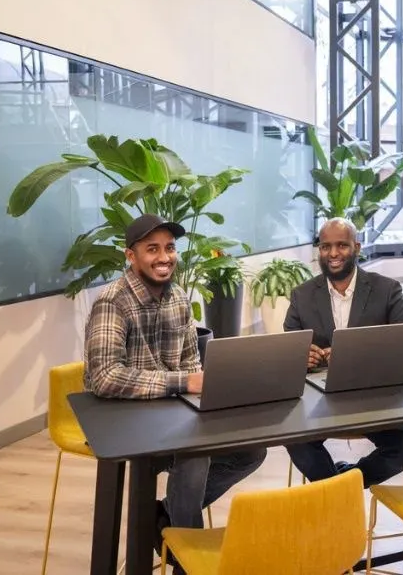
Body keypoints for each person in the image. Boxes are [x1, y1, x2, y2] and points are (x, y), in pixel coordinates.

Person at [83, 213, 266, 569]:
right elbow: (104, 377)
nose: (164, 257)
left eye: (169, 248)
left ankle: (166, 518)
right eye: (152, 249)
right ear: (130, 256)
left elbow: (189, 363)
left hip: (173, 412)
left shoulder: (179, 298)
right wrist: (183, 383)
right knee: (194, 454)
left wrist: (207, 395)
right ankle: (188, 558)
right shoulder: (113, 301)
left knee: (251, 450)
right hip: (122, 418)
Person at [283, 217, 403, 488]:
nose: (333, 253)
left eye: (342, 245)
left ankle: (344, 485)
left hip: (374, 394)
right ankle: (336, 491)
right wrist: (300, 357)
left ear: (356, 247)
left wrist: (360, 355)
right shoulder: (302, 295)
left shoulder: (387, 290)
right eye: (325, 247)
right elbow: (288, 347)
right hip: (319, 399)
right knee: (293, 438)